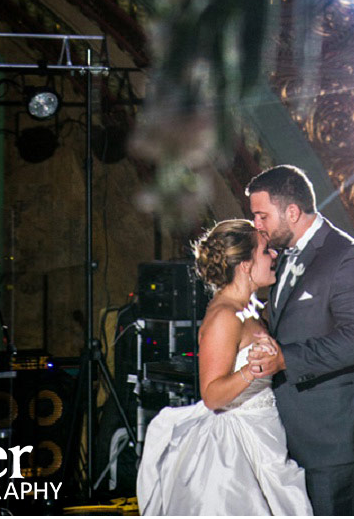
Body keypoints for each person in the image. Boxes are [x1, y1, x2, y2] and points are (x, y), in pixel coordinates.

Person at [245, 164, 354, 517]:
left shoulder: (349, 258)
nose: (257, 225)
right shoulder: (280, 259)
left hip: (339, 441)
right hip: (295, 437)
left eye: (263, 215)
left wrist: (286, 359)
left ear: (292, 212)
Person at [136, 218, 312, 516]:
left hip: (265, 434)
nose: (274, 257)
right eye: (266, 251)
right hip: (235, 448)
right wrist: (251, 371)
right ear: (245, 264)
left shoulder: (249, 309)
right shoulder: (224, 317)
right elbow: (213, 395)